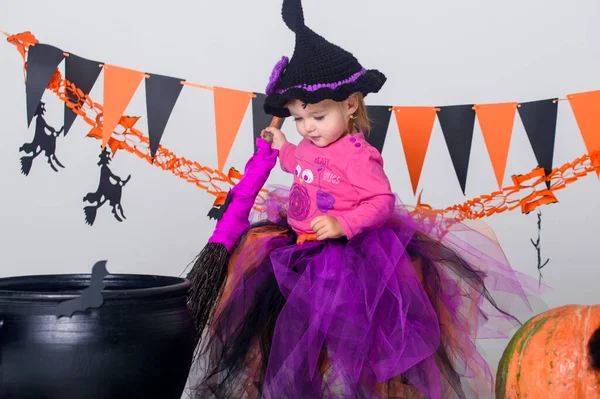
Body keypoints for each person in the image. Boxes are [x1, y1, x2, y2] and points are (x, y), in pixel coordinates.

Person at [188, 0, 543, 397]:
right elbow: (296, 164)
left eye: (318, 117)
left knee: (348, 339)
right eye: (299, 118)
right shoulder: (305, 142)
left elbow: (380, 201)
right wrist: (282, 144)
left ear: (351, 104)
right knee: (285, 333)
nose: (308, 127)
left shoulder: (357, 156)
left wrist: (344, 224)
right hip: (295, 246)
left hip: (343, 256)